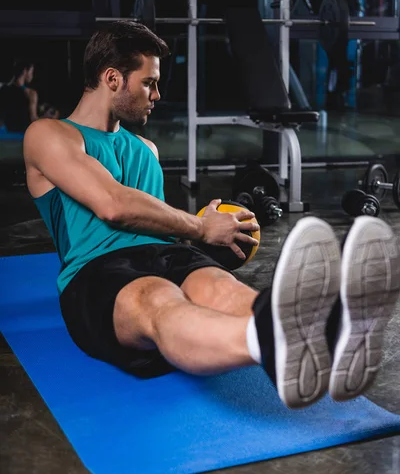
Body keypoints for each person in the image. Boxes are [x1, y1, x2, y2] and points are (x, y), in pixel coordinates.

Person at [23, 21, 400, 410]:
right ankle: (272, 343)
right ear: (113, 78)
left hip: (166, 252)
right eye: (149, 83)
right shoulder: (50, 135)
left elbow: (151, 220)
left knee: (223, 289)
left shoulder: (145, 149)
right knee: (159, 299)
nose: (157, 94)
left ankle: (325, 334)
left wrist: (214, 233)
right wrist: (202, 226)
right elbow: (114, 205)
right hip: (95, 270)